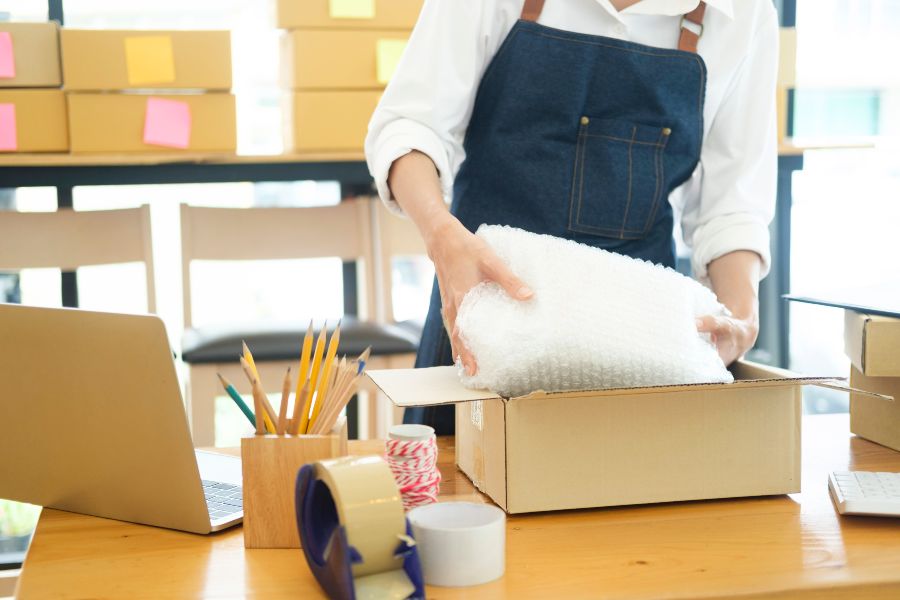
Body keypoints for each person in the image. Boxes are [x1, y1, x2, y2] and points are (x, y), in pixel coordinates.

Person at [365, 0, 778, 434]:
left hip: (637, 341)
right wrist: (440, 232)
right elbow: (410, 127)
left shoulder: (742, 13)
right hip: (483, 318)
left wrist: (742, 317)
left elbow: (731, 206)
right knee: (456, 493)